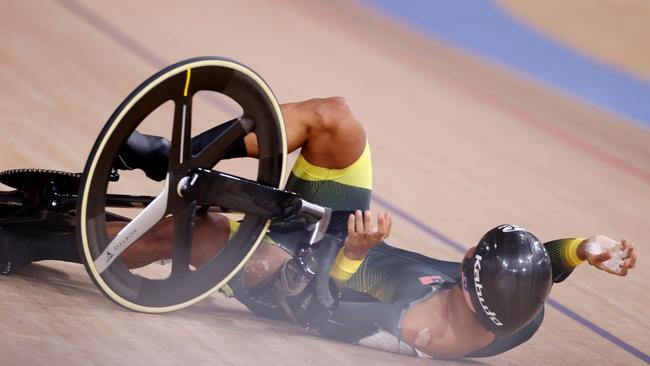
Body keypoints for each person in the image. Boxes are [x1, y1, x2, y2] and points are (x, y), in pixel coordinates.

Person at [0, 97, 638, 358]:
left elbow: (319, 314)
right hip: (333, 239)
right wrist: (587, 248)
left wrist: (354, 255)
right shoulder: (518, 311)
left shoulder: (415, 323)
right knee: (337, 120)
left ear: (468, 291)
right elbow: (541, 270)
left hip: (296, 286)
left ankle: (42, 241)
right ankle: (177, 154)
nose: (464, 250)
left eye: (467, 258)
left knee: (204, 233)